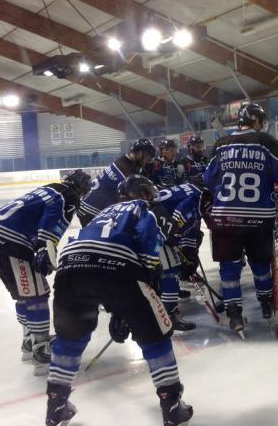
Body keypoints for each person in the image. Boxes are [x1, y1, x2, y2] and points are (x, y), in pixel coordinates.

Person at [45, 175, 193, 426]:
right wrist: (131, 309)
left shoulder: (103, 213)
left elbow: (94, 256)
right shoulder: (147, 210)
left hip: (70, 268)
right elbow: (145, 262)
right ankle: (172, 406)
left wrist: (119, 311)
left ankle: (56, 406)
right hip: (117, 268)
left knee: (70, 340)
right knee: (156, 336)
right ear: (144, 194)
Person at [0, 170, 92, 375]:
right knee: (37, 295)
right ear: (81, 189)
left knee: (25, 293)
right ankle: (41, 351)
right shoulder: (69, 196)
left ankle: (29, 343)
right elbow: (51, 223)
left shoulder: (48, 188)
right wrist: (45, 249)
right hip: (11, 242)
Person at [204, 102, 278, 334]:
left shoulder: (220, 144)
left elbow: (208, 179)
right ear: (256, 120)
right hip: (258, 217)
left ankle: (234, 313)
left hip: (225, 217)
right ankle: (267, 305)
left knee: (229, 268)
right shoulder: (265, 141)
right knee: (260, 265)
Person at [147, 181, 211, 332]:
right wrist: (183, 253)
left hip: (155, 223)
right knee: (171, 269)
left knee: (168, 266)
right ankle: (170, 316)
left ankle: (165, 300)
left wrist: (190, 254)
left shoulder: (197, 195)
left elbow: (191, 227)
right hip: (153, 227)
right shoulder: (191, 201)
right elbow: (174, 230)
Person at [78, 139, 155, 227]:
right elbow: (134, 196)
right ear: (139, 152)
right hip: (93, 210)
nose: (148, 161)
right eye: (147, 156)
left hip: (89, 206)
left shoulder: (124, 161)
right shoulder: (127, 168)